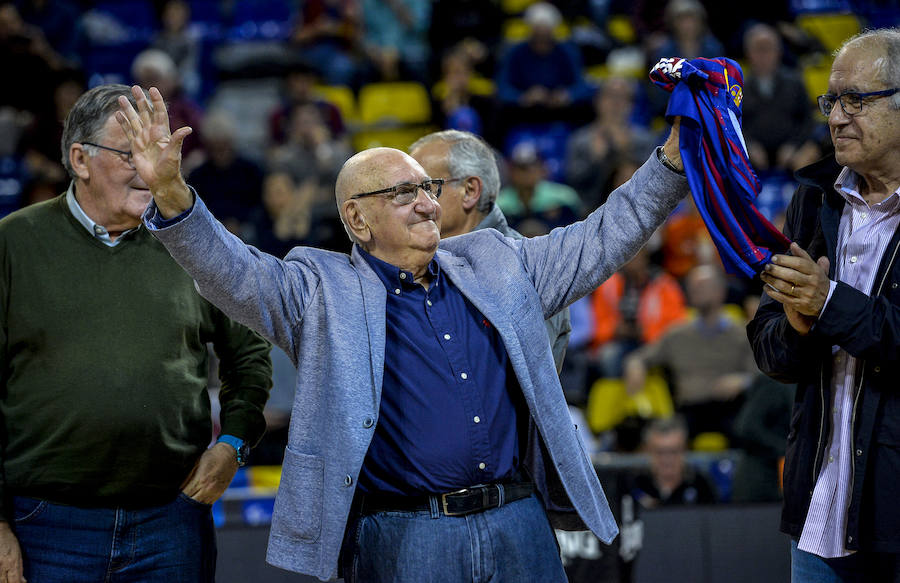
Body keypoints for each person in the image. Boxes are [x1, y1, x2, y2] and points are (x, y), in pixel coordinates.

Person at [115, 83, 689, 582]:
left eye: (428, 190)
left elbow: (602, 235)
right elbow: (232, 270)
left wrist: (671, 160)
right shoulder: (319, 292)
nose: (426, 205)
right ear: (357, 219)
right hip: (406, 534)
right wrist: (170, 191)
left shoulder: (495, 260)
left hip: (519, 521)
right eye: (402, 193)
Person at [0, 84, 273, 583]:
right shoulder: (12, 244)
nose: (151, 168)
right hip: (44, 524)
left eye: (161, 151)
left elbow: (249, 353)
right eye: (131, 153)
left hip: (172, 521)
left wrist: (233, 443)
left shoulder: (197, 242)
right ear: (79, 160)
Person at [748, 28, 900, 582]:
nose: (836, 117)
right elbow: (769, 349)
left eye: (855, 100)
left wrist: (827, 301)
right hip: (817, 511)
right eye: (831, 101)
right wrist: (797, 325)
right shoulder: (813, 200)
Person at [408, 129, 571, 372]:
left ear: (470, 191)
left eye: (427, 187)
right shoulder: (414, 260)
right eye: (408, 190)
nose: (415, 203)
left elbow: (507, 379)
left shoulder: (526, 268)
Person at [625, 264, 757, 441]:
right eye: (692, 286)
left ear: (721, 291)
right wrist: (636, 365)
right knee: (664, 433)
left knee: (749, 428)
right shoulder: (676, 334)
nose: (695, 290)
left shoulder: (742, 333)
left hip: (730, 406)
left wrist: (742, 381)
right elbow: (640, 357)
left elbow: (759, 375)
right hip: (689, 409)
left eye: (702, 285)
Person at [630, 415, 717, 508]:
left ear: (685, 450)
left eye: (674, 451)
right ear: (648, 451)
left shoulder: (701, 486)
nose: (667, 459)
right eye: (660, 452)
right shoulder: (633, 486)